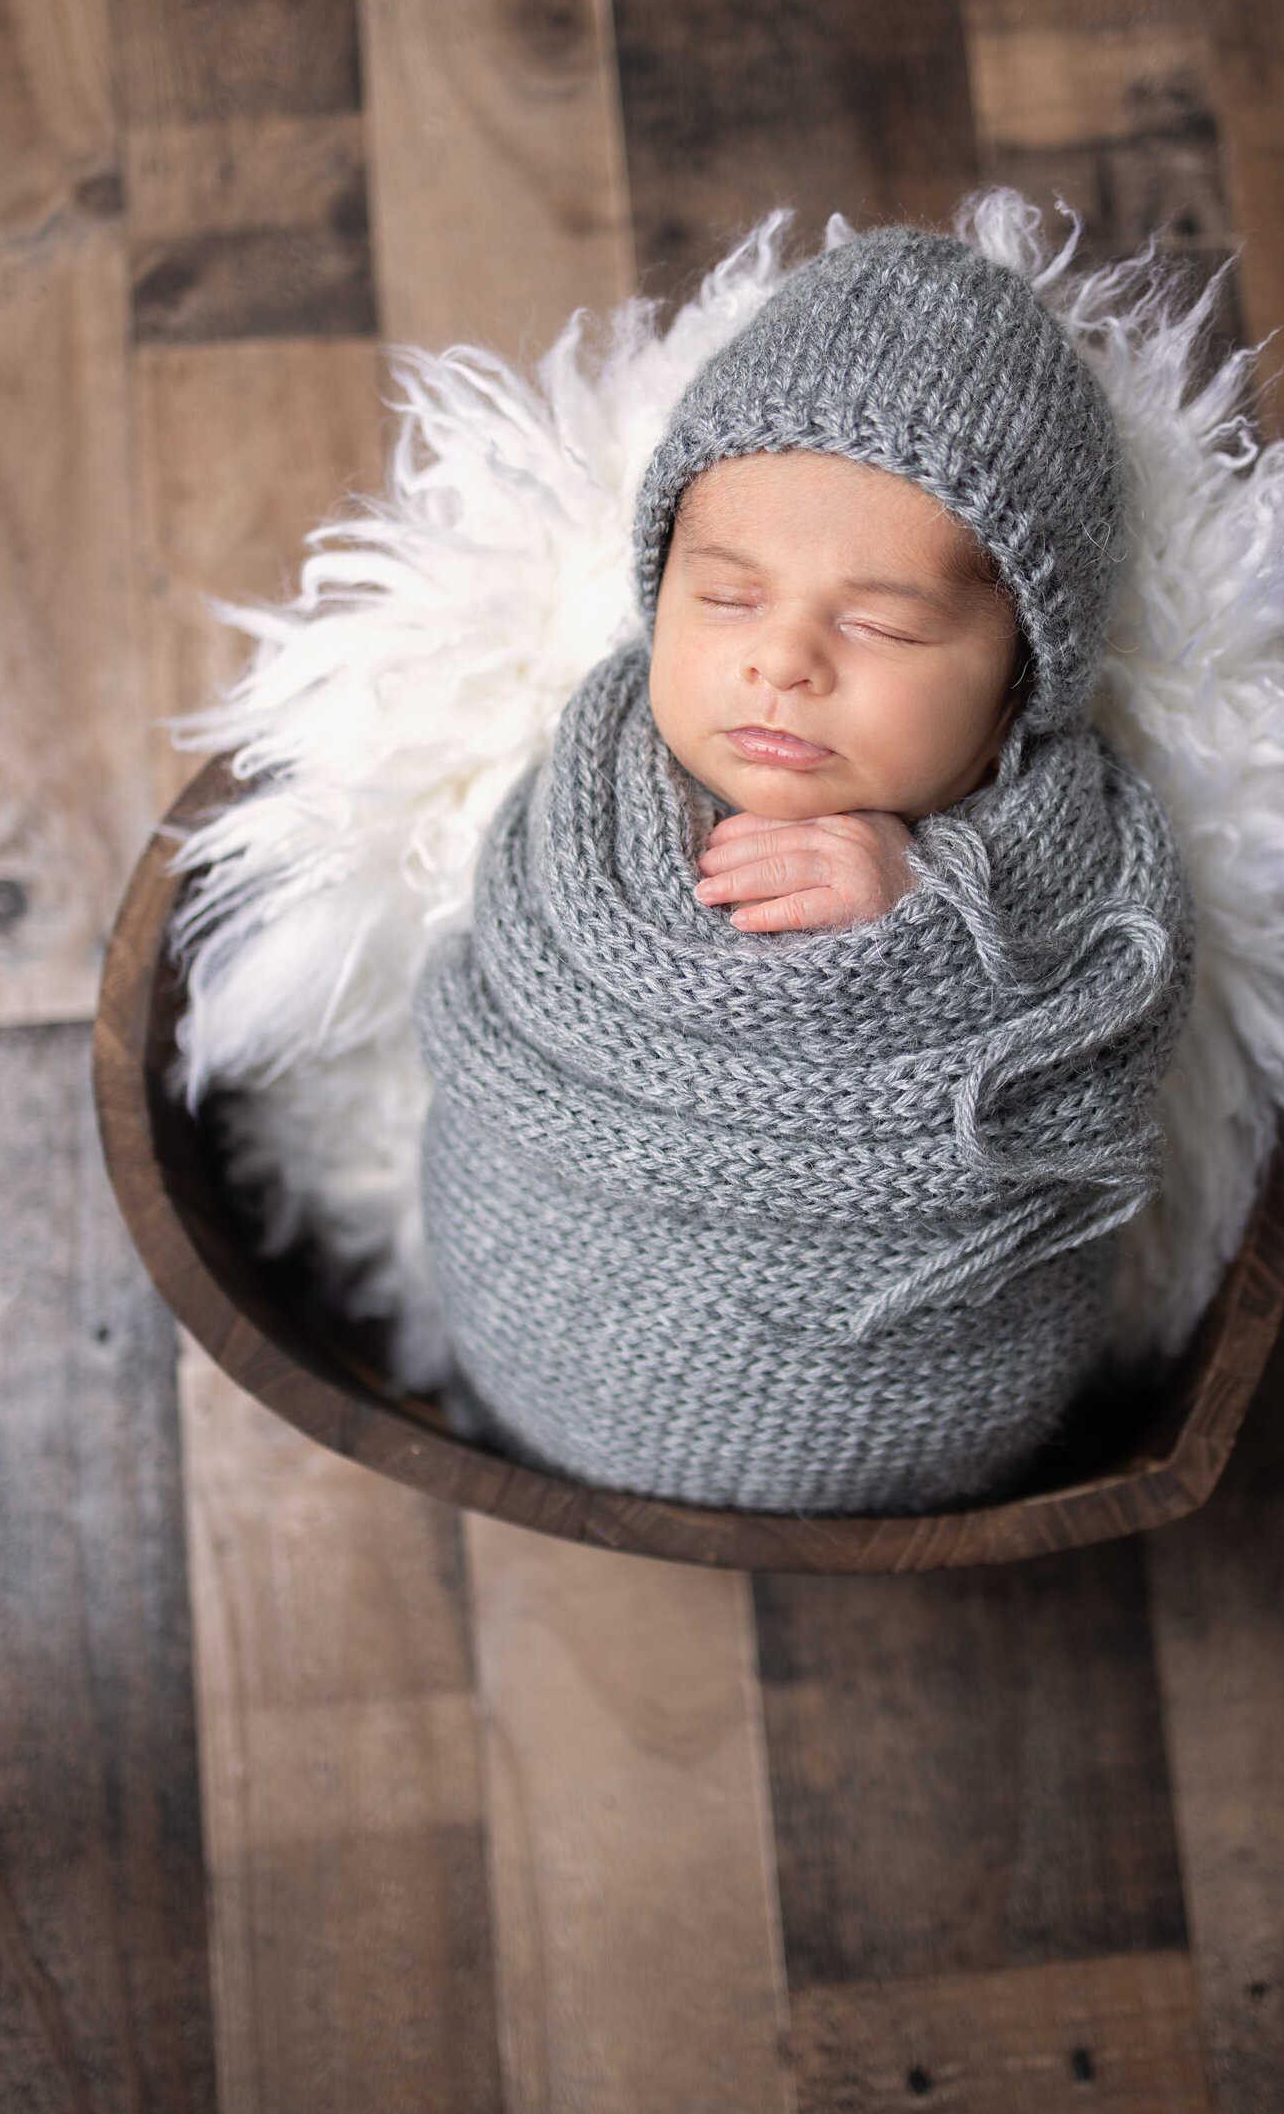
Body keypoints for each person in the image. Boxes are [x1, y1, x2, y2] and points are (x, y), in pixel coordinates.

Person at [413, 225, 1194, 1515]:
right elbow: (512, 973)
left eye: (881, 626)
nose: (782, 662)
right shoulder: (594, 784)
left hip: (915, 1385)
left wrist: (933, 915)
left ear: (1021, 684)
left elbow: (1105, 1015)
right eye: (726, 600)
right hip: (537, 1292)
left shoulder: (1075, 852)